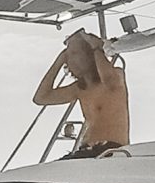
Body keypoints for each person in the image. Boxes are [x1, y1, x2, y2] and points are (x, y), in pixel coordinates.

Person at [31, 28, 130, 158]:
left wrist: (97, 49)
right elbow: (41, 98)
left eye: (74, 53)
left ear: (89, 55)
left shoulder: (115, 76)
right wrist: (59, 61)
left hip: (111, 150)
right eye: (68, 55)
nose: (69, 59)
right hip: (87, 150)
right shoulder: (79, 88)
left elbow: (108, 78)